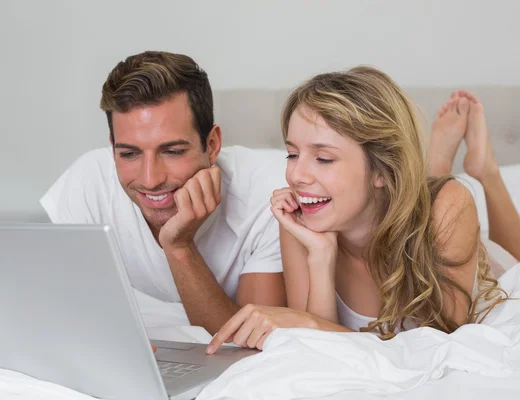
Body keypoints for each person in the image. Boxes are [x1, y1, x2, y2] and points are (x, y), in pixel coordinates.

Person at [207, 67, 511, 353]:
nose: (297, 176)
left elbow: (441, 350)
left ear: (381, 169)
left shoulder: (450, 205)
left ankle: (484, 169)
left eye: (323, 159)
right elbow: (319, 354)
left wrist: (314, 325)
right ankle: (432, 167)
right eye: (292, 154)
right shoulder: (300, 228)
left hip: (453, 242)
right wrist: (321, 256)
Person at [40, 51, 287, 335]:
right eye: (129, 153)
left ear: (213, 144)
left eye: (172, 151)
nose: (151, 179)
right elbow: (67, 315)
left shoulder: (270, 195)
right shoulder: (88, 182)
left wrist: (179, 247)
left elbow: (254, 348)